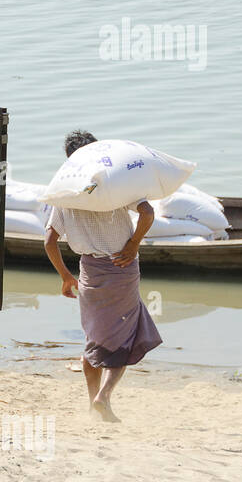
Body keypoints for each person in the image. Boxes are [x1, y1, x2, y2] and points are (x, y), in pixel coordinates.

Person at [43, 130, 162, 423]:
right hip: (121, 270)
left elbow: (49, 242)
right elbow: (147, 213)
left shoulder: (64, 195)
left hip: (89, 275)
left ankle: (92, 402)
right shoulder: (116, 184)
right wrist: (134, 243)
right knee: (125, 338)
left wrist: (65, 277)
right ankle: (103, 398)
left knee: (94, 339)